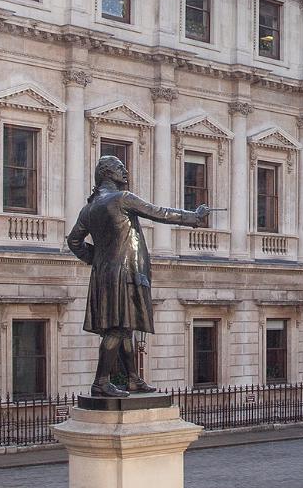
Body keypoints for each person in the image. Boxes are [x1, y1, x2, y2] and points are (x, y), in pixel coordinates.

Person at [66, 154, 210, 398]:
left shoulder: (88, 209)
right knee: (117, 329)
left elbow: (74, 241)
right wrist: (193, 217)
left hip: (105, 274)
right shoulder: (121, 198)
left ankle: (133, 379)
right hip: (125, 272)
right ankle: (101, 382)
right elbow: (159, 212)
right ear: (107, 173)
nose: (125, 172)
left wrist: (98, 259)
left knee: (124, 327)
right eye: (119, 168)